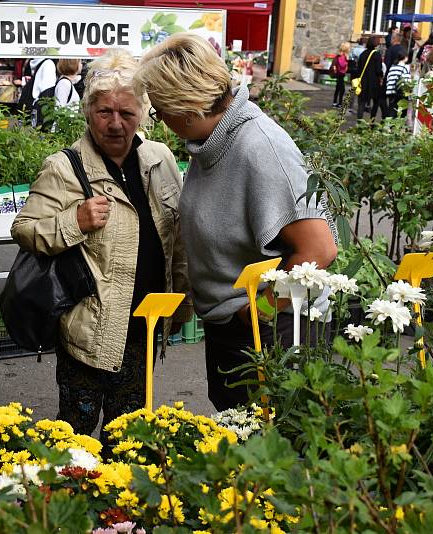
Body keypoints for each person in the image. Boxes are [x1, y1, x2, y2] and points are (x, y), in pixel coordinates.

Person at [135, 34, 337, 410]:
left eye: (160, 110)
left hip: (271, 329)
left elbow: (319, 249)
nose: (158, 119)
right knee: (237, 433)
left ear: (188, 108)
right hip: (234, 325)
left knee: (269, 442)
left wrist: (256, 313)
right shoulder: (213, 141)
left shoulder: (259, 147)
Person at [10, 49, 192, 443]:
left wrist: (181, 302)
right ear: (87, 110)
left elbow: (175, 240)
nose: (115, 124)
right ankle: (65, 501)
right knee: (76, 438)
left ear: (143, 112)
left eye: (127, 113)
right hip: (90, 332)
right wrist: (72, 221)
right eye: (104, 111)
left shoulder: (159, 159)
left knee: (129, 439)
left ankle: (118, 506)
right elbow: (24, 228)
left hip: (144, 327)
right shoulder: (65, 167)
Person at [356, 36, 385, 120]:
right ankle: (372, 121)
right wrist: (381, 76)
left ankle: (359, 122)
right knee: (375, 102)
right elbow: (378, 70)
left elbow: (359, 68)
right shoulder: (376, 55)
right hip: (374, 82)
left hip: (363, 81)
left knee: (361, 103)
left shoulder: (363, 54)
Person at [385, 53, 411, 118]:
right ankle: (398, 125)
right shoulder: (405, 67)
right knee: (401, 110)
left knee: (392, 108)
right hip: (400, 92)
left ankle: (389, 125)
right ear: (405, 57)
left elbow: (388, 78)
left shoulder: (393, 66)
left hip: (391, 91)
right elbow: (407, 81)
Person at [331, 42, 350, 108]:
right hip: (340, 73)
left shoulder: (339, 55)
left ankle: (335, 102)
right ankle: (339, 103)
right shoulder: (342, 56)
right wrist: (347, 62)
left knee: (338, 88)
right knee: (342, 89)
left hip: (339, 73)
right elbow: (342, 65)